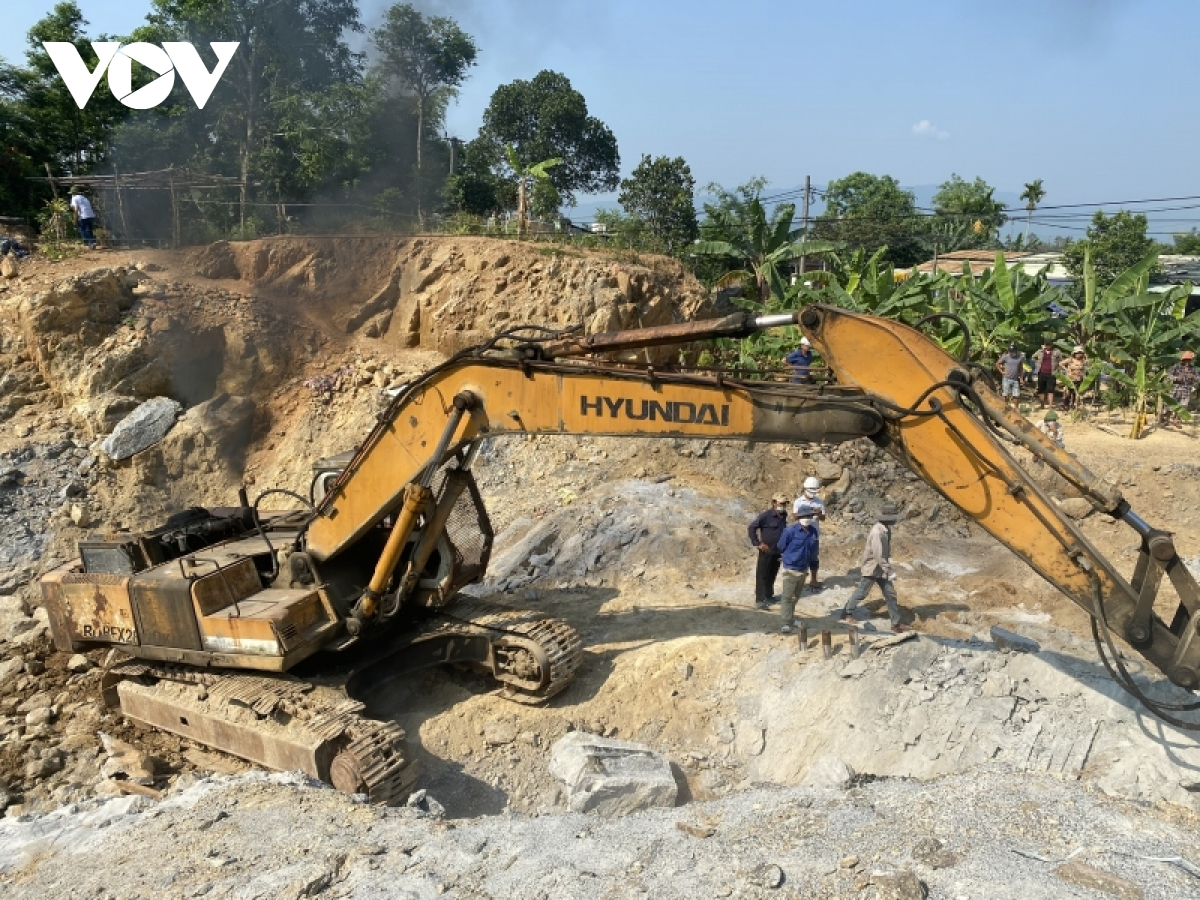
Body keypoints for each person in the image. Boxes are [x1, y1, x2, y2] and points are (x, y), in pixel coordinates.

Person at [840, 502, 910, 632]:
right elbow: (878, 555)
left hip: (881, 569)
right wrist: (889, 571)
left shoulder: (885, 529)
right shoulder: (878, 532)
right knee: (862, 592)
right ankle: (847, 613)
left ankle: (896, 623)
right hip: (872, 568)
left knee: (890, 594)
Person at [775, 507, 819, 634]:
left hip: (803, 569)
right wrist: (788, 557)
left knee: (795, 597)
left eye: (809, 516)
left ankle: (791, 618)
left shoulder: (813, 532)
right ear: (799, 517)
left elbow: (814, 552)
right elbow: (780, 546)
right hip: (791, 569)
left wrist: (814, 572)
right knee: (787, 597)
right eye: (804, 516)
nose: (806, 519)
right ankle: (785, 622)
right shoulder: (790, 531)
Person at [747, 494, 789, 609]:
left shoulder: (784, 515)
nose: (783, 506)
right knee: (762, 575)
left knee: (772, 573)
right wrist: (758, 543)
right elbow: (752, 528)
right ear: (774, 503)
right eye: (781, 504)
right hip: (766, 550)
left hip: (778, 550)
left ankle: (769, 595)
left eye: (785, 504)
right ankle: (759, 600)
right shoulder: (765, 516)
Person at [793, 476, 826, 589]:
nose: (813, 494)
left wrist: (818, 513)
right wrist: (806, 513)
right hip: (801, 535)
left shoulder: (819, 502)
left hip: (814, 535)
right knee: (800, 557)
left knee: (813, 558)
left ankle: (813, 579)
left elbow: (823, 518)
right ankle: (798, 580)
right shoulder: (798, 502)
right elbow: (794, 517)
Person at [1163, 350, 1197, 428]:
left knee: (1182, 406)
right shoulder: (1176, 366)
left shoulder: (1193, 369)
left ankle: (1176, 420)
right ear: (1183, 360)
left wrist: (1193, 377)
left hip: (1186, 390)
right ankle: (1166, 420)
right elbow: (1168, 375)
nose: (1187, 362)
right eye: (1186, 360)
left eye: (1189, 360)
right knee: (1170, 404)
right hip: (1176, 389)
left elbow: (1198, 378)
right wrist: (1176, 378)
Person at [1030, 339, 1062, 409]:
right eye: (1046, 345)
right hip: (1041, 372)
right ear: (1044, 345)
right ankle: (1042, 405)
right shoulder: (1040, 351)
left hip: (1052, 373)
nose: (1048, 346)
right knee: (1041, 389)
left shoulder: (1057, 352)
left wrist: (1058, 369)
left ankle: (1050, 405)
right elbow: (1033, 357)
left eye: (1049, 344)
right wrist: (1037, 364)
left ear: (1052, 344)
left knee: (1051, 390)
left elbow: (1060, 361)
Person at [995, 343, 1026, 409]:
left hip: (1015, 379)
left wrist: (1021, 378)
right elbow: (997, 364)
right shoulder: (1006, 357)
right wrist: (1002, 372)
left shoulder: (1019, 358)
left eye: (1013, 351)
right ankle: (1005, 408)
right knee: (1005, 394)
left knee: (1016, 395)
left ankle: (1016, 409)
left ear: (1016, 351)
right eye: (1010, 351)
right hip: (1006, 378)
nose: (1011, 353)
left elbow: (1021, 368)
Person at [1060, 346, 1087, 410]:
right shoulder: (1070, 360)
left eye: (1080, 353)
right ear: (1075, 354)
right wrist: (1066, 370)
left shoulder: (1082, 361)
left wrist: (1083, 375)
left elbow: (1083, 369)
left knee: (1076, 393)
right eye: (1078, 353)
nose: (1079, 354)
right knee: (1068, 393)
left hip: (1079, 379)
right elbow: (1061, 363)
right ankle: (1066, 405)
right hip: (1070, 379)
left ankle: (1074, 405)